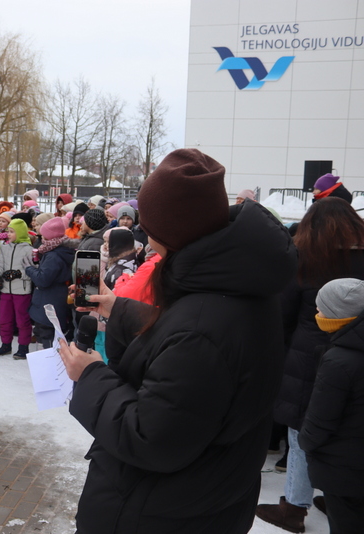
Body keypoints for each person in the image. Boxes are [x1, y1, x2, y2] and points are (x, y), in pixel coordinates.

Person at [58, 149, 298, 533]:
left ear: (171, 231)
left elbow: (151, 437)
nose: (146, 238)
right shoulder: (236, 282)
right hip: (207, 496)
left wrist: (91, 377)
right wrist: (118, 310)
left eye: (151, 228)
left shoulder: (203, 327)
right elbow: (183, 341)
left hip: (164, 511)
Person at [257, 196, 364, 533]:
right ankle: (332, 494)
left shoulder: (302, 260)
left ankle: (294, 506)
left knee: (304, 431)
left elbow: (282, 316)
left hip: (306, 358)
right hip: (357, 352)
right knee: (346, 428)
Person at [298, 278, 364, 534]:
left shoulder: (338, 360)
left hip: (344, 468)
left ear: (338, 316)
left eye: (321, 308)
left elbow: (321, 418)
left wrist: (306, 442)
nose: (316, 313)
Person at [26, 217, 74, 348]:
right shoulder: (57, 251)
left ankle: (48, 364)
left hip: (49, 301)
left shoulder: (53, 256)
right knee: (49, 334)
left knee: (47, 335)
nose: (41, 239)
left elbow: (43, 280)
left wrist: (30, 269)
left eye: (44, 236)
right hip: (54, 298)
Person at [0, 219, 33, 359]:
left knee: (22, 320)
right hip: (5, 289)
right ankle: (6, 344)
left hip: (21, 290)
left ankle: (23, 347)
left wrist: (18, 274)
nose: (8, 234)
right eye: (8, 231)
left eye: (11, 231)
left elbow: (32, 269)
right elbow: (0, 264)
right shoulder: (4, 248)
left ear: (20, 232)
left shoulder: (28, 249)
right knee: (4, 318)